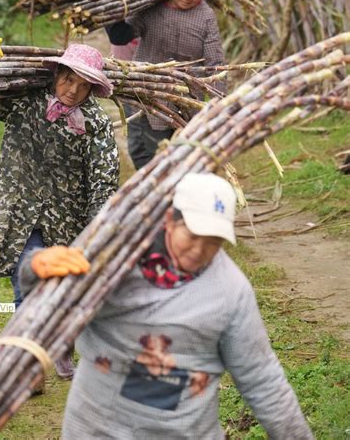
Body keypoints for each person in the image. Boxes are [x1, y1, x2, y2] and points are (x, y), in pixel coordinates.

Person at [20, 172, 314, 439]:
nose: (200, 250)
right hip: (97, 427)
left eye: (213, 242)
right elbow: (48, 307)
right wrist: (35, 266)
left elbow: (261, 379)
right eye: (194, 235)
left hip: (183, 432)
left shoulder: (230, 291)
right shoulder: (115, 257)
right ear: (170, 220)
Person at [0, 41, 120, 379]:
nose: (72, 91)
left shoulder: (95, 122)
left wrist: (96, 230)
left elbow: (103, 180)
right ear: (56, 75)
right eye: (68, 80)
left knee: (60, 292)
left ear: (93, 88)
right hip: (17, 214)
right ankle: (27, 367)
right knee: (28, 290)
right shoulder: (24, 101)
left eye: (83, 86)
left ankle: (59, 348)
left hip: (65, 223)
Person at [106, 0, 226, 170]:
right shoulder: (153, 7)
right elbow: (121, 36)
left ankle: (172, 192)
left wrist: (219, 103)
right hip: (148, 91)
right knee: (142, 149)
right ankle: (153, 190)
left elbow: (215, 62)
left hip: (186, 97)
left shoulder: (206, 17)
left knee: (180, 153)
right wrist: (112, 10)